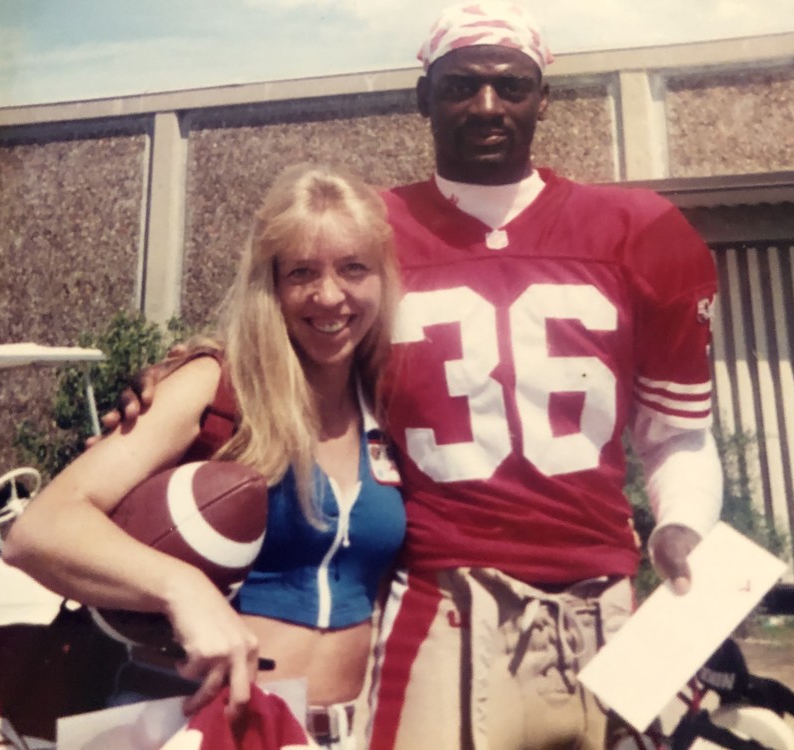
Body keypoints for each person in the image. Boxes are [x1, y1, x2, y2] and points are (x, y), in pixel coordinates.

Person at [104, 3, 724, 748]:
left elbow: (676, 433)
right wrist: (184, 372)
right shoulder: (372, 231)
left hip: (609, 598)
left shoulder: (640, 230)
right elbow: (287, 331)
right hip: (446, 600)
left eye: (512, 85)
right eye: (461, 85)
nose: (487, 106)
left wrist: (682, 525)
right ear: (424, 96)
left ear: (543, 97)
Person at [2, 162, 407, 749]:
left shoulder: (389, 403)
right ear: (271, 284)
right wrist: (181, 588)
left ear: (382, 277)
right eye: (301, 272)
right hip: (202, 725)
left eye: (353, 268)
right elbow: (38, 531)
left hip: (348, 731)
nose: (329, 296)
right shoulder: (215, 386)